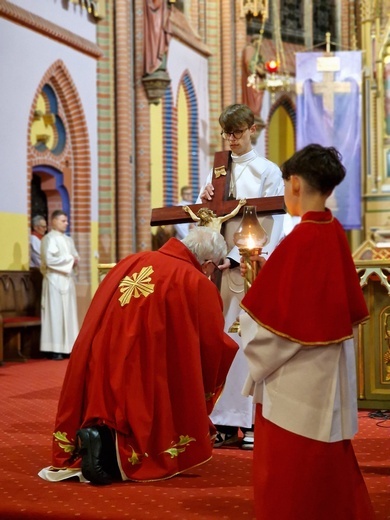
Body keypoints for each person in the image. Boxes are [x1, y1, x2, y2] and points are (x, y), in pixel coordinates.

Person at [38, 227, 238, 485]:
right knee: (145, 405)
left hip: (100, 348)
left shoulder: (133, 260)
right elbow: (210, 344)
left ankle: (96, 438)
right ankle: (109, 452)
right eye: (212, 268)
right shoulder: (196, 281)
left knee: (110, 399)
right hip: (142, 361)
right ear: (208, 263)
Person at [239, 144, 375, 519]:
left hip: (295, 381)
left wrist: (254, 340)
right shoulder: (331, 232)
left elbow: (273, 330)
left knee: (292, 473)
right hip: (325, 371)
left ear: (295, 183)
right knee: (326, 463)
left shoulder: (300, 241)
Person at [198, 103, 285, 449]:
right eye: (225, 132)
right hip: (216, 265)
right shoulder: (218, 170)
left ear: (251, 129)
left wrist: (236, 257)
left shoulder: (267, 170)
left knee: (245, 339)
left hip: (246, 265)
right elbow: (205, 216)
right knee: (217, 340)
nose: (230, 139)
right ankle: (220, 420)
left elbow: (271, 222)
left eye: (236, 132)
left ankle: (248, 421)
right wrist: (202, 201)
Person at [40, 210, 79, 360]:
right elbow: (49, 260)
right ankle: (54, 348)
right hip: (54, 280)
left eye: (66, 220)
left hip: (67, 280)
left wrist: (73, 260)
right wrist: (70, 260)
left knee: (68, 314)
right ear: (54, 221)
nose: (66, 223)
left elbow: (75, 256)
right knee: (55, 314)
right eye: (63, 221)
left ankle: (69, 347)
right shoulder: (48, 239)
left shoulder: (68, 240)